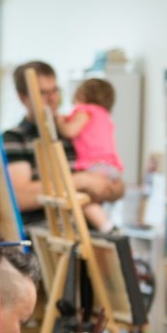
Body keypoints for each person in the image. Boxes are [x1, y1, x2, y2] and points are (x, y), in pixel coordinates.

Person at [3, 60, 124, 229]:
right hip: (45, 234)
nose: (52, 99)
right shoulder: (14, 138)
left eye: (55, 90)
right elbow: (20, 197)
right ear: (22, 97)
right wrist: (81, 181)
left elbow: (113, 184)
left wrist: (113, 188)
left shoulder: (73, 131)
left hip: (89, 230)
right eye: (42, 93)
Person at [56, 77, 124, 231]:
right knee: (97, 198)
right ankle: (106, 223)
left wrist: (60, 122)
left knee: (82, 198)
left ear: (82, 96)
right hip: (112, 167)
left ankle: (106, 226)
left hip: (95, 165)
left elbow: (70, 131)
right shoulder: (105, 115)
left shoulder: (85, 111)